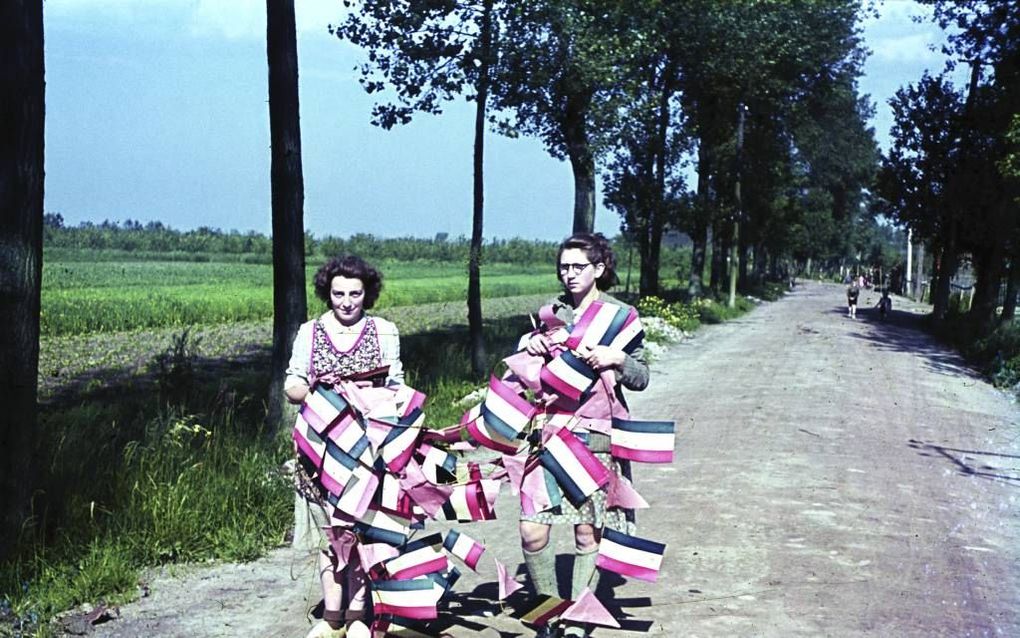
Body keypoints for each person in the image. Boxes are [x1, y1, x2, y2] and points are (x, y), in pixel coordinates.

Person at [518, 233, 649, 638]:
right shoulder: (549, 313)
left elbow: (642, 377)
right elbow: (525, 370)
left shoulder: (620, 316)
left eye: (578, 267)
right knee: (532, 529)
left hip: (596, 436)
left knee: (586, 530)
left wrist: (618, 358)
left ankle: (577, 618)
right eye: (564, 266)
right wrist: (530, 344)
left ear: (599, 269)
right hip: (548, 434)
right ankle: (547, 614)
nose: (569, 274)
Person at [285, 255, 403, 638]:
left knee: (359, 529)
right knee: (326, 530)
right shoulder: (310, 332)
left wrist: (369, 393)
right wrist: (319, 390)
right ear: (327, 293)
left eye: (355, 293)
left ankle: (357, 615)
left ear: (367, 293)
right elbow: (292, 385)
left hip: (367, 446)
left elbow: (397, 388)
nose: (347, 301)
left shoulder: (384, 331)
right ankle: (331, 616)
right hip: (319, 447)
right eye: (338, 293)